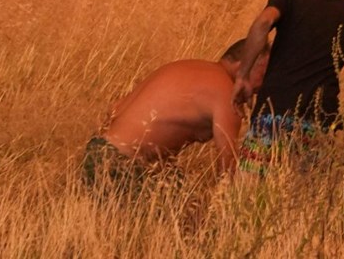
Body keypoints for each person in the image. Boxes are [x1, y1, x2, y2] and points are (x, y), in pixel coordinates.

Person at [231, 0, 344, 174]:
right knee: (302, 202)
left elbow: (262, 24)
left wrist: (243, 75)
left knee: (250, 194)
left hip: (272, 116)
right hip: (317, 124)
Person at [82, 39, 269, 191]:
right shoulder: (227, 93)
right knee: (193, 218)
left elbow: (114, 108)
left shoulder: (190, 68)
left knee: (181, 190)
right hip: (121, 166)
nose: (262, 86)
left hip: (97, 152)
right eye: (264, 74)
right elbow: (228, 172)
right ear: (245, 64)